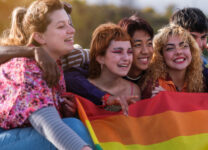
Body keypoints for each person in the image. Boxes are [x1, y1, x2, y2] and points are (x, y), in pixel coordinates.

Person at [0, 0, 92, 149]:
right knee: (73, 128)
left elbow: (98, 55)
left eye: (70, 24)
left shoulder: (57, 60)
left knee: (72, 124)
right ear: (40, 37)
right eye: (61, 26)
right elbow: (49, 126)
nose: (72, 30)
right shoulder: (26, 69)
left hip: (17, 135)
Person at [85, 23, 140, 115]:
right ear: (100, 57)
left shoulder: (133, 91)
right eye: (118, 52)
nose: (126, 58)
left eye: (129, 52)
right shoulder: (83, 87)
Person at [141, 25, 206, 98]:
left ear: (191, 50)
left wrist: (171, 98)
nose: (178, 52)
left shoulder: (201, 80)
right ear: (160, 55)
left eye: (184, 46)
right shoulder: (152, 84)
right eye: (170, 48)